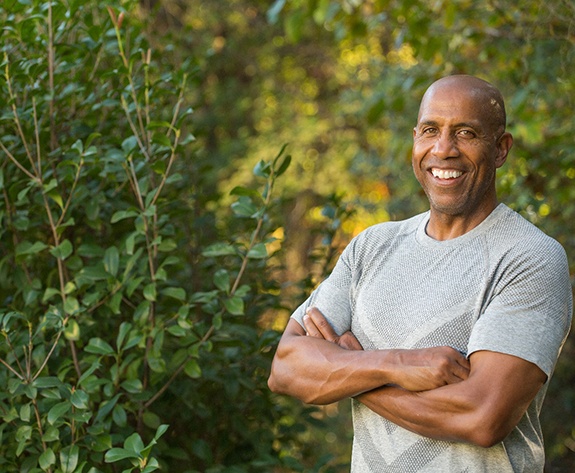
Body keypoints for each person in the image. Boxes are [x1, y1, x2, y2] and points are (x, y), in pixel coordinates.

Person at [268, 75, 572, 472]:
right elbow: (286, 367)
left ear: (500, 149)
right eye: (431, 130)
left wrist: (349, 370)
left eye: (466, 133)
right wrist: (396, 365)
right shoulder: (371, 247)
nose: (443, 150)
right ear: (415, 139)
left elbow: (481, 417)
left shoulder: (529, 258)